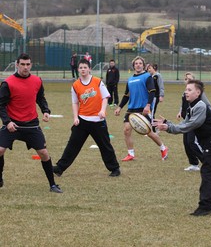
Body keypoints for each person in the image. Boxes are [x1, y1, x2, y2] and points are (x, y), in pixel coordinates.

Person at [154, 80, 211, 216]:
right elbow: (186, 123)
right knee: (209, 172)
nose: (186, 92)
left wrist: (169, 128)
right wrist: (167, 123)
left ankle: (205, 207)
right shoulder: (191, 106)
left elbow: (192, 124)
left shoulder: (200, 105)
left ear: (198, 92)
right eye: (186, 90)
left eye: (189, 90)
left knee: (208, 172)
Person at [0, 53, 62, 193]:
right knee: (0, 150)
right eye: (22, 64)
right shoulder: (7, 83)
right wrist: (7, 122)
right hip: (12, 124)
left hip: (31, 124)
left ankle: (52, 185)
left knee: (44, 153)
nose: (25, 67)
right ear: (17, 65)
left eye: (28, 64)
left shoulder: (37, 81)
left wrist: (45, 110)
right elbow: (1, 105)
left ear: (31, 65)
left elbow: (40, 98)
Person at [53, 58, 121, 177]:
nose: (83, 69)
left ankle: (115, 168)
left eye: (85, 67)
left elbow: (105, 97)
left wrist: (102, 110)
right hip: (82, 120)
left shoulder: (97, 81)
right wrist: (75, 117)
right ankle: (59, 168)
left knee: (105, 146)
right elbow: (75, 103)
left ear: (89, 69)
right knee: (72, 145)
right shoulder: (75, 85)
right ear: (78, 69)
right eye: (81, 68)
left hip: (98, 121)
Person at [114, 56, 168, 161]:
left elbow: (152, 91)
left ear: (143, 65)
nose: (138, 65)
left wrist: (148, 105)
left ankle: (163, 147)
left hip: (143, 109)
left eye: (140, 63)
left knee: (148, 132)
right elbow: (126, 95)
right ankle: (131, 154)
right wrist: (119, 107)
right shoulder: (130, 79)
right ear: (133, 66)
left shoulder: (147, 76)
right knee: (126, 130)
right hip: (131, 109)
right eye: (136, 63)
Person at [177, 72, 211, 171]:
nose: (187, 80)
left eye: (190, 79)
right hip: (187, 121)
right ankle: (194, 164)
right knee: (186, 143)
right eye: (186, 79)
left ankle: (207, 163)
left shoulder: (198, 93)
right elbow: (183, 104)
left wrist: (206, 119)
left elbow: (208, 106)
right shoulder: (185, 93)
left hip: (195, 122)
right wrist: (180, 112)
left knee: (192, 142)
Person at [147, 63, 165, 132]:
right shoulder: (150, 77)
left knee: (151, 113)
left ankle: (155, 129)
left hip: (155, 97)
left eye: (150, 68)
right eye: (148, 68)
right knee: (149, 113)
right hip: (150, 97)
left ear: (154, 68)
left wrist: (161, 95)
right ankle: (154, 127)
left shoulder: (158, 76)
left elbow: (161, 86)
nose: (148, 70)